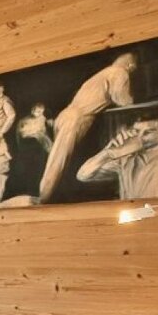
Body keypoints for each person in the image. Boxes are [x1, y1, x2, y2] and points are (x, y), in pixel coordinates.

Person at [39, 52, 137, 202]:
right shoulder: (120, 73)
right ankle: (42, 201)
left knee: (56, 161)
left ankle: (49, 198)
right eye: (134, 68)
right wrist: (132, 99)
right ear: (130, 65)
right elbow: (123, 100)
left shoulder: (102, 74)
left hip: (65, 115)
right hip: (75, 120)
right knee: (56, 165)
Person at [76, 116, 158, 200]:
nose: (140, 137)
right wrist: (108, 152)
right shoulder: (126, 159)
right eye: (136, 131)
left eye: (148, 132)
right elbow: (83, 175)